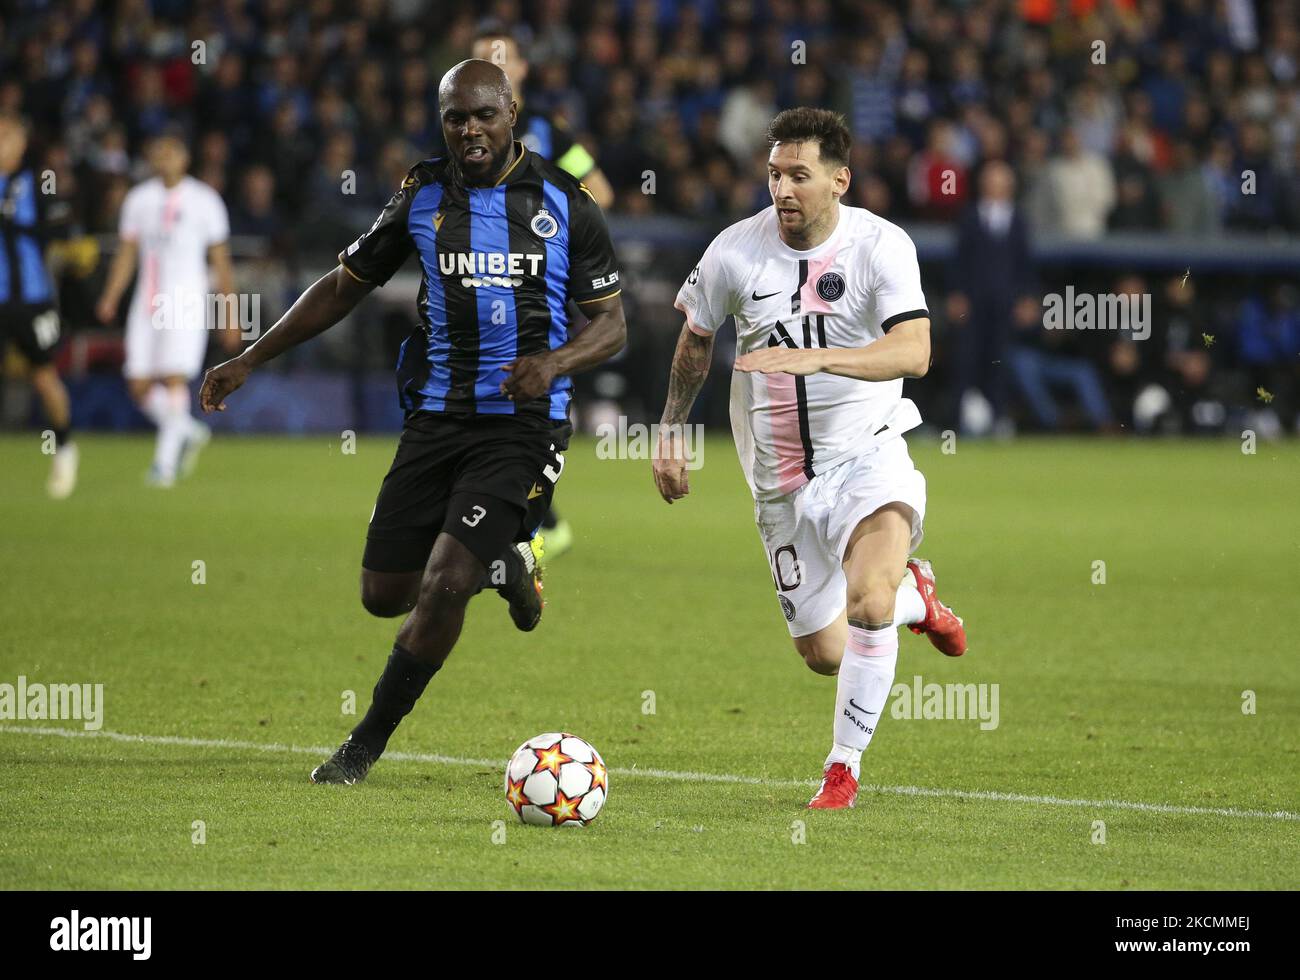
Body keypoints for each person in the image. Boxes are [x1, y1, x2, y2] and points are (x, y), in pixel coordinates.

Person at [200, 60, 626, 785]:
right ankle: (509, 562)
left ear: (512, 111)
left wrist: (552, 365)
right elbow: (344, 286)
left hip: (523, 425)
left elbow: (613, 326)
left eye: (484, 114)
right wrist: (251, 357)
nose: (470, 130)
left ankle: (362, 746)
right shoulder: (422, 194)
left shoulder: (564, 201)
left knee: (443, 584)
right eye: (455, 117)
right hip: (433, 418)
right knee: (382, 595)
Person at [653, 108, 966, 811]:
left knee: (867, 602)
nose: (784, 190)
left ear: (839, 180)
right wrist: (671, 432)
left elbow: (914, 352)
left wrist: (820, 356)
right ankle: (921, 597)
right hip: (779, 481)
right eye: (774, 175)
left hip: (867, 455)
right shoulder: (736, 251)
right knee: (826, 653)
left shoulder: (882, 246)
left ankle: (842, 770)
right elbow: (695, 342)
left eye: (799, 175)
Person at [470, 21, 618, 558]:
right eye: (478, 61)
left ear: (522, 68)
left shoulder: (546, 131)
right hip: (473, 280)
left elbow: (598, 190)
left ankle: (537, 521)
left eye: (498, 58)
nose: (489, 70)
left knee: (517, 389)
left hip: (529, 284)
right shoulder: (463, 131)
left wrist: (550, 225)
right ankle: (528, 517)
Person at [96, 132, 239, 486]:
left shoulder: (205, 200)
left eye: (171, 152)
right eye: (157, 152)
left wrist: (231, 313)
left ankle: (164, 464)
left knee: (175, 376)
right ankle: (186, 430)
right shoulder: (139, 199)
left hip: (186, 299)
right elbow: (127, 254)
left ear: (184, 158)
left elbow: (221, 261)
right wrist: (111, 296)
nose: (164, 158)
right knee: (139, 384)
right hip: (147, 301)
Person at [0, 112, 78, 498]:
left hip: (31, 300)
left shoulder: (38, 182)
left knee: (44, 376)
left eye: (7, 136)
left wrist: (18, 225)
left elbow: (63, 228)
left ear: (21, 142)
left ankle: (64, 450)